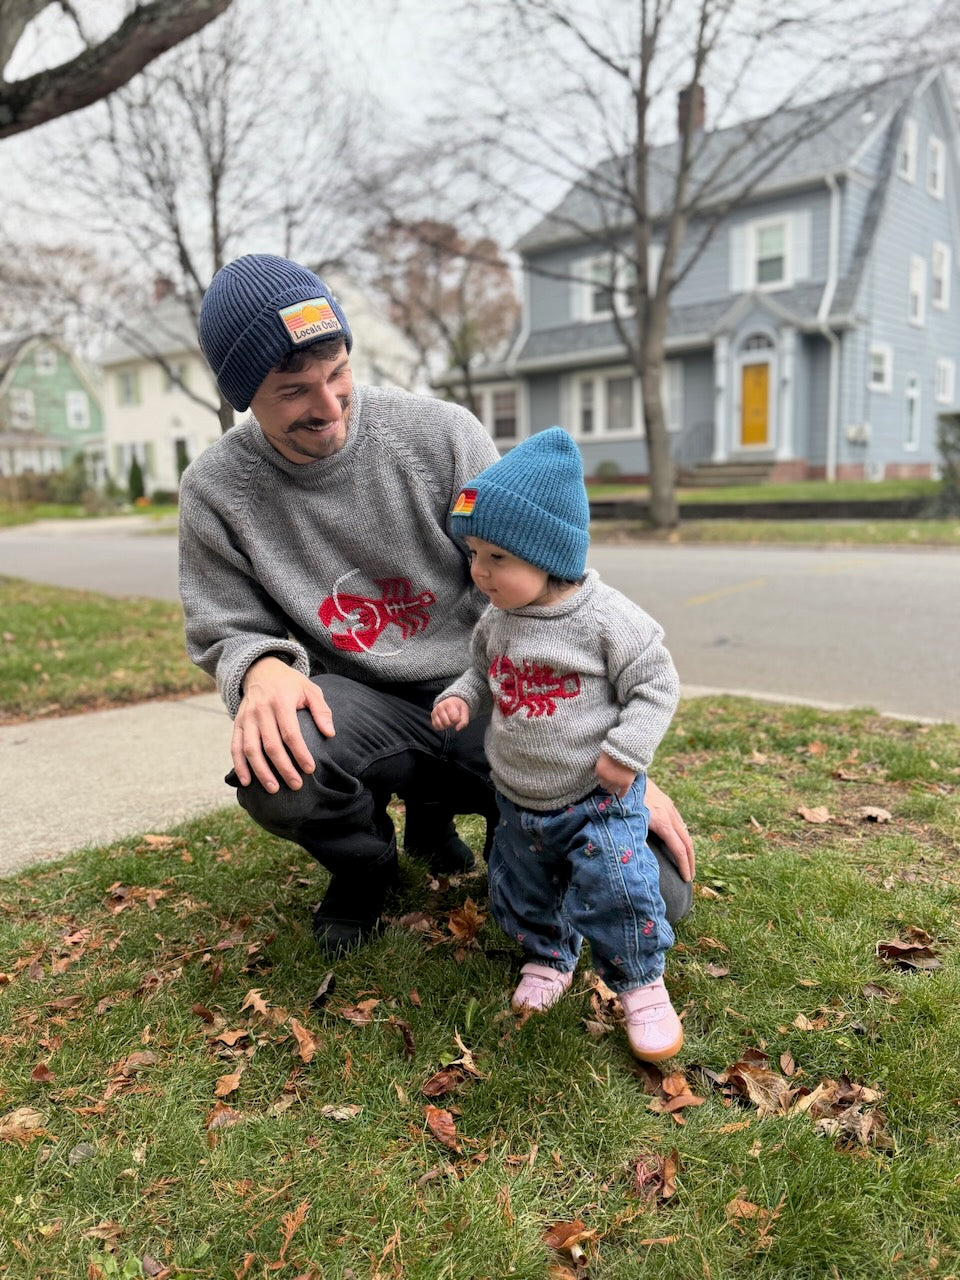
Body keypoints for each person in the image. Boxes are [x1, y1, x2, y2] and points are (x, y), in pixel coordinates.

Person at [179, 252, 696, 956]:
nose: (328, 408)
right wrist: (259, 664)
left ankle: (452, 816)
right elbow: (224, 623)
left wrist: (624, 772)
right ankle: (367, 870)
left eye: (337, 374)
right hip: (361, 710)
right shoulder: (215, 490)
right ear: (243, 394)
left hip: (495, 697)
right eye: (294, 390)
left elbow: (552, 589)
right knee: (281, 770)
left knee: (663, 900)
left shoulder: (442, 435)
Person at [431, 428, 683, 1061]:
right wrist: (462, 695)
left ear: (548, 555)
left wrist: (627, 753)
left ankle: (642, 985)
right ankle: (548, 956)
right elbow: (480, 668)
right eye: (474, 554)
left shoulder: (605, 620)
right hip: (519, 796)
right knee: (524, 885)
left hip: (595, 796)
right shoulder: (497, 619)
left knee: (616, 886)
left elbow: (657, 684)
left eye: (497, 558)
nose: (479, 572)